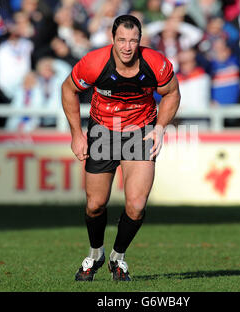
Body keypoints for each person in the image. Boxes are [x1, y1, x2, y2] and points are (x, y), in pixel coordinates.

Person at [61, 15, 180, 282]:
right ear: (112, 39)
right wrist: (76, 134)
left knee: (136, 206)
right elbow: (68, 89)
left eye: (133, 41)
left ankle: (118, 257)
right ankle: (95, 253)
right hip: (103, 130)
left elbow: (172, 92)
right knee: (95, 204)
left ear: (140, 41)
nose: (127, 47)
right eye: (122, 40)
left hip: (140, 132)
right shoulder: (94, 62)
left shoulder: (155, 63)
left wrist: (160, 127)